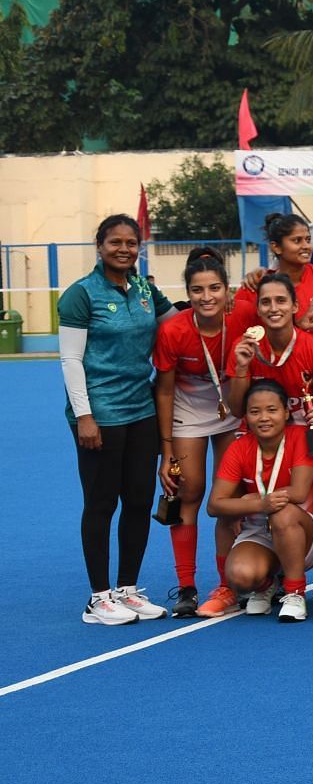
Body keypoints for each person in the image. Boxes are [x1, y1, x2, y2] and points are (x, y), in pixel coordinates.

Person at [60, 214, 173, 624]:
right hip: (100, 415)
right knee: (102, 502)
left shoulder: (145, 289)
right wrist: (85, 415)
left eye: (131, 243)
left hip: (141, 410)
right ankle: (98, 597)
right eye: (116, 242)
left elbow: (176, 324)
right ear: (100, 245)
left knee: (140, 501)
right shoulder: (82, 294)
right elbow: (71, 359)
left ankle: (127, 589)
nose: (124, 249)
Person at [226, 272, 313, 599]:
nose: (273, 307)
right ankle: (239, 583)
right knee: (232, 501)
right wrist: (240, 369)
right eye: (266, 302)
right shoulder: (246, 349)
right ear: (258, 310)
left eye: (281, 300)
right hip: (261, 432)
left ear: (295, 306)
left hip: (307, 431)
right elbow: (237, 409)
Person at [152, 249, 243, 618]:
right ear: (187, 293)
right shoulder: (173, 330)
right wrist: (166, 451)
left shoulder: (244, 319)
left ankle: (228, 584)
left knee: (229, 495)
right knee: (187, 492)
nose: (207, 297)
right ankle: (187, 587)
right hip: (188, 413)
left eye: (215, 288)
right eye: (197, 290)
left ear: (227, 290)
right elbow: (164, 390)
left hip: (233, 411)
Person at [207, 380, 313, 624]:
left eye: (272, 410)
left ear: (286, 412)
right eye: (255, 412)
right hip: (260, 527)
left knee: (283, 514)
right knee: (240, 576)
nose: (264, 418)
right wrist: (257, 504)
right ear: (246, 417)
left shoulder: (305, 437)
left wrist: (251, 501)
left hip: (303, 528)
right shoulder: (239, 447)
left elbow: (300, 492)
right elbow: (214, 505)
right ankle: (265, 584)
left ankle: (294, 592)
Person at [232, 213, 313, 330]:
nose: (306, 246)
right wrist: (225, 296)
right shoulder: (254, 285)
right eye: (297, 241)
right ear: (276, 247)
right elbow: (232, 322)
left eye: (308, 240)